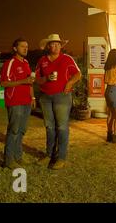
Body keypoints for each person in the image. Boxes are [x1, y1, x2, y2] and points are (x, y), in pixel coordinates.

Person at [35, 34, 81, 170]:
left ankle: (61, 157)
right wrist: (46, 79)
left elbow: (78, 74)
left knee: (61, 127)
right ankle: (49, 155)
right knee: (49, 127)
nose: (55, 46)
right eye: (52, 44)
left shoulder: (67, 59)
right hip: (45, 97)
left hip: (62, 96)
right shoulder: (42, 60)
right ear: (48, 46)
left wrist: (70, 83)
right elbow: (37, 79)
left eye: (58, 44)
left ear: (61, 46)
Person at [0, 38, 36, 169]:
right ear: (15, 48)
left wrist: (32, 98)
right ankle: (8, 160)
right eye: (22, 46)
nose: (25, 49)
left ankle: (18, 156)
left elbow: (30, 82)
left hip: (26, 101)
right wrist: (23, 81)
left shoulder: (26, 62)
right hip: (15, 101)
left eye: (27, 46)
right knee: (14, 130)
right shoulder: (10, 63)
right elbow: (3, 83)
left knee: (21, 130)